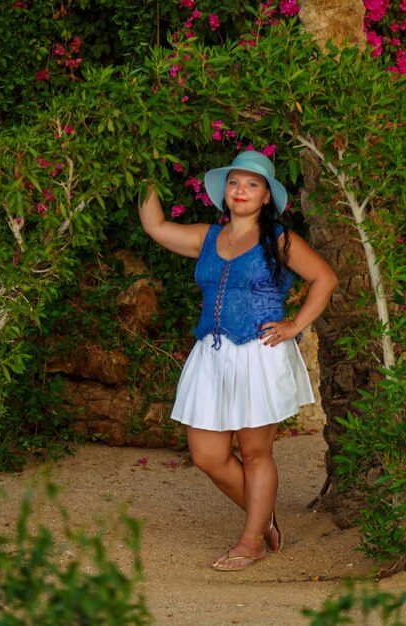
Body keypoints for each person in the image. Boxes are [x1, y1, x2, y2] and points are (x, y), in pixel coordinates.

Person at [139, 150, 338, 572]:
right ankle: (262, 516)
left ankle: (253, 540)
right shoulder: (207, 237)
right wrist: (140, 170)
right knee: (208, 454)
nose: (241, 190)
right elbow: (155, 226)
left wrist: (294, 325)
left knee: (254, 452)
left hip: (259, 355)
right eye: (234, 183)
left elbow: (325, 277)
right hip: (211, 354)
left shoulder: (280, 239)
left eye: (252, 184)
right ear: (224, 193)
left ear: (266, 196)